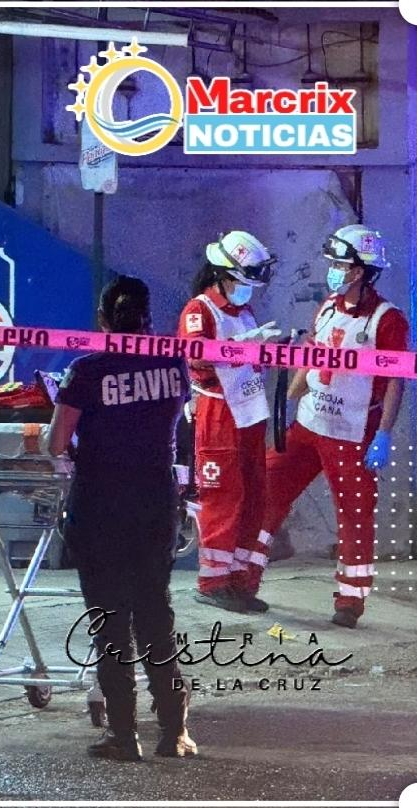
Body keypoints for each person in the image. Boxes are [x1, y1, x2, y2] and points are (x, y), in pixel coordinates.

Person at [49, 275, 196, 761]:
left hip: (100, 507)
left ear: (102, 322)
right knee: (155, 614)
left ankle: (123, 734)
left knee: (110, 621)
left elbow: (55, 442)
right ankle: (173, 732)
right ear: (147, 318)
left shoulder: (86, 370)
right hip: (155, 504)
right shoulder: (173, 362)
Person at [259, 224, 408, 629]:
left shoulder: (387, 319)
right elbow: (311, 358)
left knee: (355, 515)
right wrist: (288, 401)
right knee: (268, 491)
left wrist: (384, 434)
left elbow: (396, 379)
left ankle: (350, 601)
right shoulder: (326, 306)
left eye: (339, 264)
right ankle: (244, 578)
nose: (332, 270)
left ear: (359, 271)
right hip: (308, 425)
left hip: (352, 432)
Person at [178, 231, 281, 614]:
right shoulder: (199, 309)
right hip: (219, 411)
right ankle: (212, 581)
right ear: (223, 274)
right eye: (241, 281)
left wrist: (268, 350)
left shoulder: (245, 313)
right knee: (222, 496)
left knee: (255, 496)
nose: (246, 290)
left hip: (251, 412)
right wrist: (244, 348)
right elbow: (196, 358)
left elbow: (250, 361)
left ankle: (238, 580)